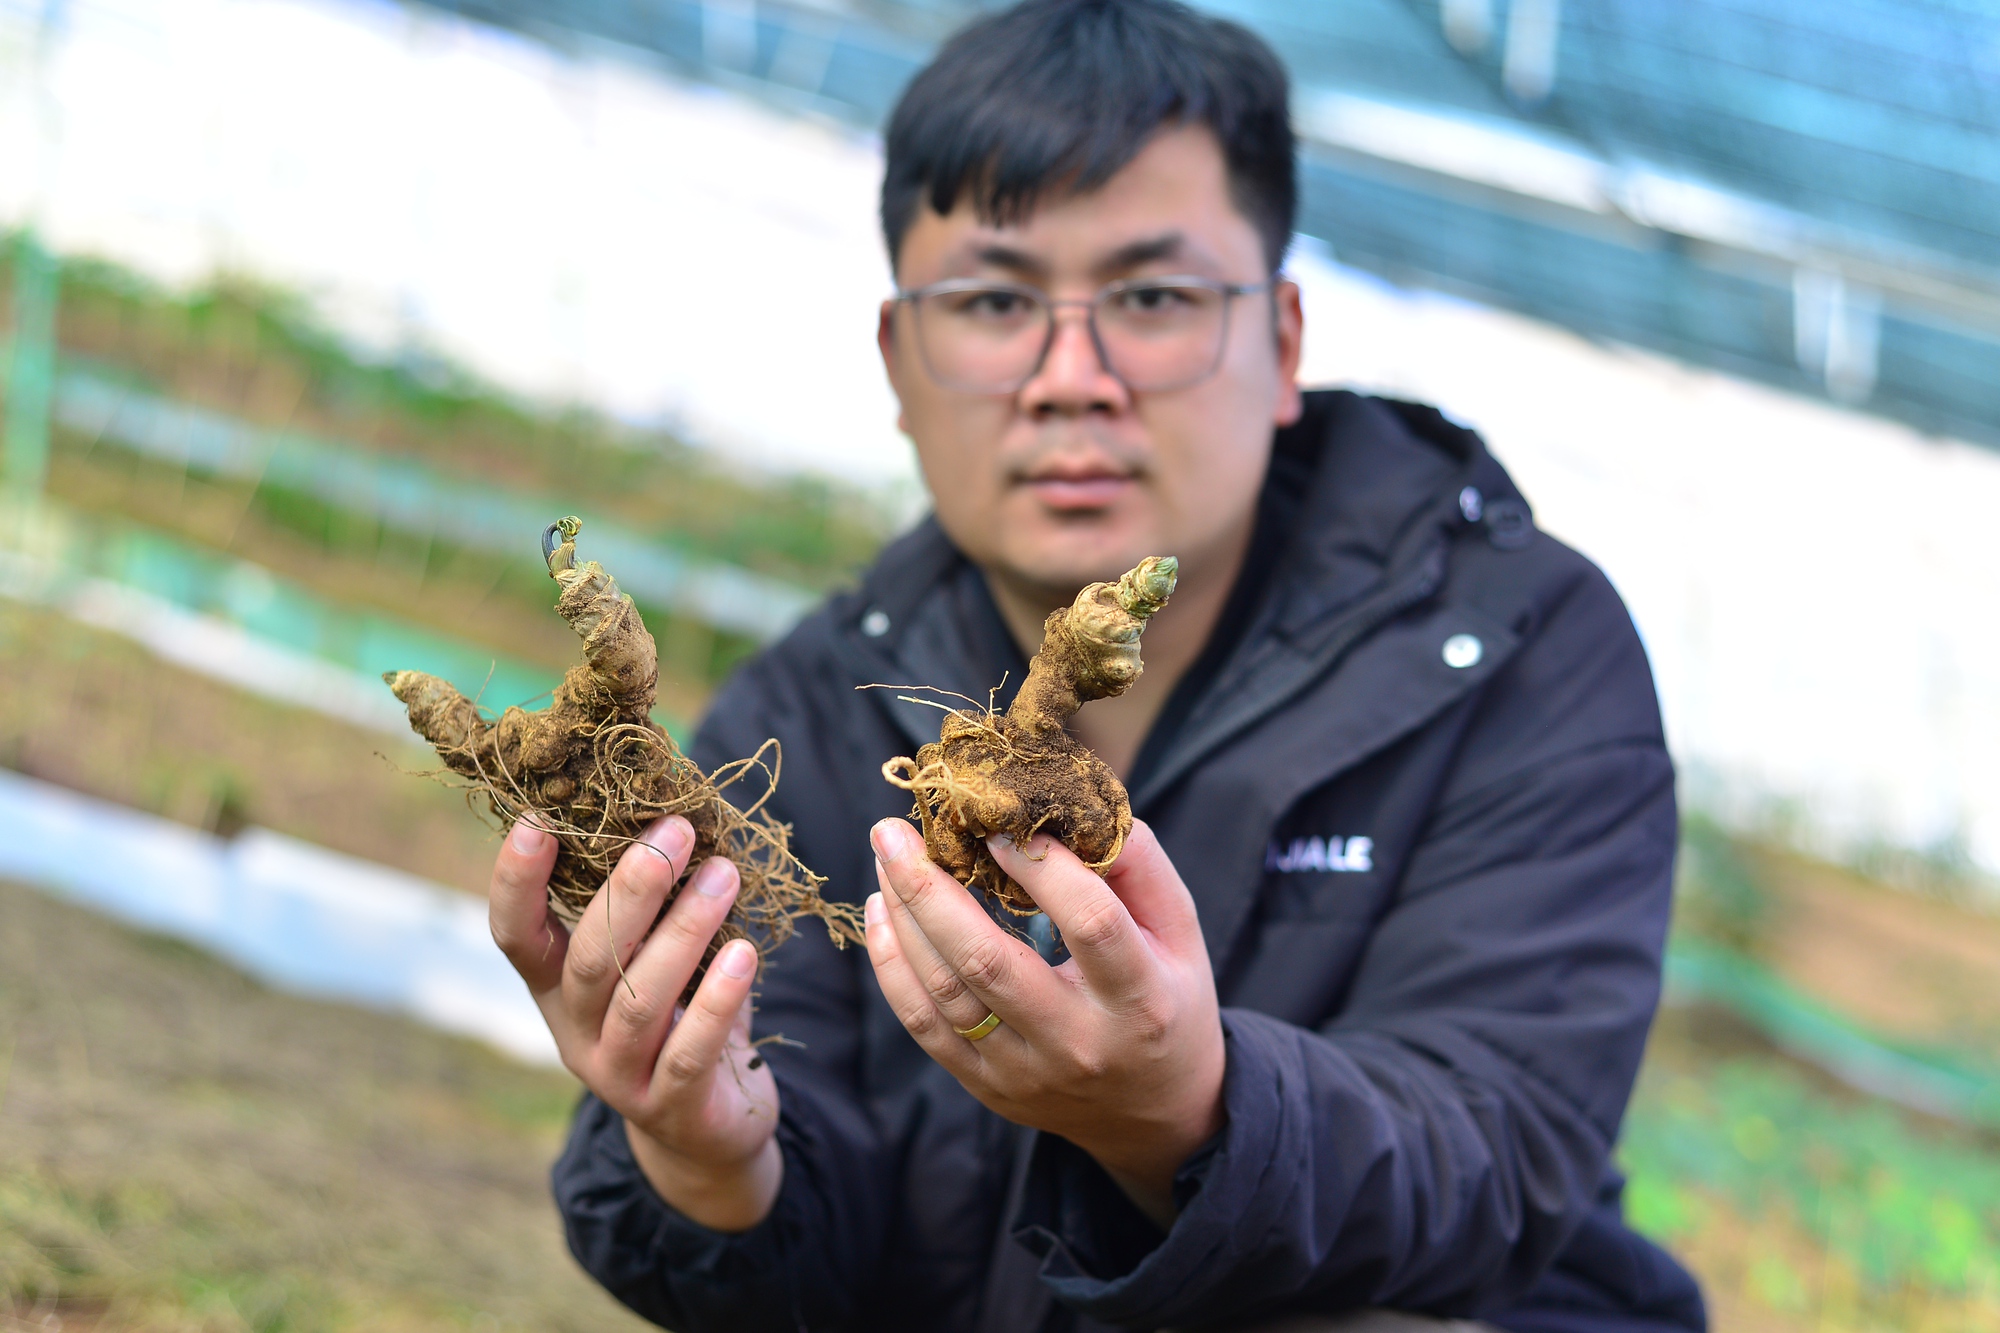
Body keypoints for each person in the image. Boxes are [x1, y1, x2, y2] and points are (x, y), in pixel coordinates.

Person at [487, 1, 1707, 1329]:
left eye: (1154, 297)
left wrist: (1192, 1112)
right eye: (996, 301)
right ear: (901, 363)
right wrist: (712, 1165)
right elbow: (814, 1244)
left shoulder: (1513, 656)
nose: (1074, 375)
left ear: (1285, 341)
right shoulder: (816, 709)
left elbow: (1496, 1156)